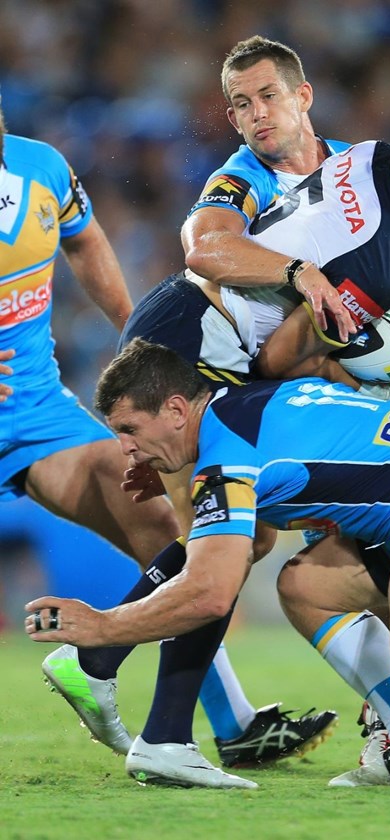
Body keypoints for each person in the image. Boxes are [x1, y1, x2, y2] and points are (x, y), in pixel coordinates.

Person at [36, 38, 390, 781]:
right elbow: (205, 250)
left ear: (304, 97)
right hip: (190, 348)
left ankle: (144, 686)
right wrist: (309, 292)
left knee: (248, 539)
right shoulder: (240, 176)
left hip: (229, 352)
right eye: (239, 105)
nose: (253, 117)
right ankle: (147, 706)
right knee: (233, 542)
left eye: (267, 97)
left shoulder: (358, 165)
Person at [25, 337, 390, 793]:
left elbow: (208, 594)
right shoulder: (239, 405)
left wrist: (103, 627)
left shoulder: (227, 462)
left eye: (129, 430)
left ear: (176, 409)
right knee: (303, 587)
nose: (123, 447)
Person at [0, 102, 184, 751]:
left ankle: (230, 724)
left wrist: (137, 344)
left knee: (161, 523)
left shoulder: (40, 170)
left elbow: (84, 241)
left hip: (34, 416)